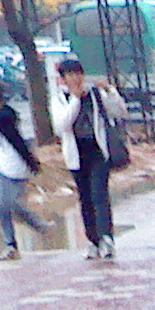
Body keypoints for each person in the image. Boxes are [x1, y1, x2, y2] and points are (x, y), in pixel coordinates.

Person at [52, 56, 128, 261]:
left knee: (99, 195)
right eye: (70, 75)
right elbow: (62, 125)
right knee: (85, 199)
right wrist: (75, 100)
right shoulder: (60, 99)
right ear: (63, 79)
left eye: (78, 74)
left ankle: (106, 239)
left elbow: (120, 111)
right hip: (76, 156)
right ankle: (93, 240)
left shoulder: (94, 95)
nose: (75, 78)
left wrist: (110, 91)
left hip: (97, 152)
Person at [0, 79, 48, 260]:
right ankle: (37, 226)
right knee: (9, 204)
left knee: (3, 205)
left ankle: (12, 244)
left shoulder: (2, 116)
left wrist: (31, 162)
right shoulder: (2, 113)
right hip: (7, 165)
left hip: (11, 166)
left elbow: (16, 140)